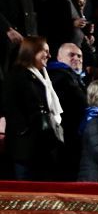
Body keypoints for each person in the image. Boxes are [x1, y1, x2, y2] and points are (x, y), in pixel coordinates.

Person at [2, 36, 64, 180]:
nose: (49, 55)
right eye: (45, 51)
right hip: (26, 149)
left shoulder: (43, 76)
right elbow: (10, 106)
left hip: (43, 147)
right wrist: (25, 130)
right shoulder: (17, 76)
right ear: (31, 52)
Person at [47, 42, 88, 178]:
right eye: (71, 55)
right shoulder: (59, 76)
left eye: (80, 56)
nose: (77, 58)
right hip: (64, 141)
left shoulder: (75, 77)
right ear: (59, 58)